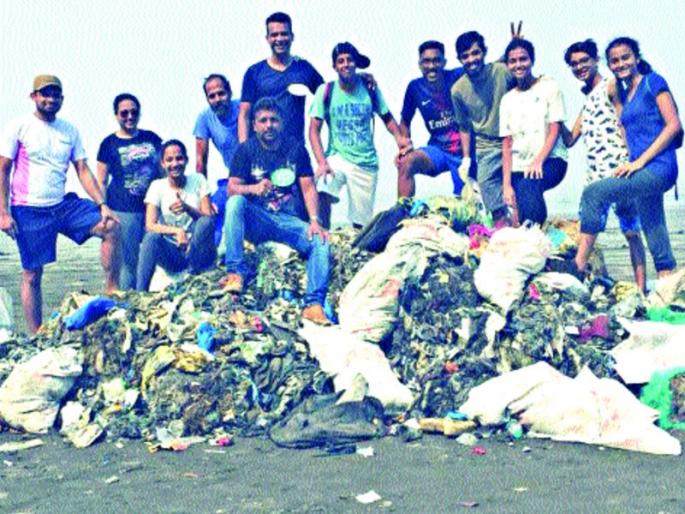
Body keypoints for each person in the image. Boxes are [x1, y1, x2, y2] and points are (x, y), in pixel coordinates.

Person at [0, 75, 121, 333]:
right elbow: (3, 169)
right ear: (34, 96)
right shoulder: (19, 126)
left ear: (62, 99)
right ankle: (36, 332)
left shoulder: (69, 130)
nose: (50, 99)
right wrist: (3, 212)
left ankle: (112, 290)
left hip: (62, 205)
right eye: (45, 94)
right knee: (32, 274)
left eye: (55, 95)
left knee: (110, 226)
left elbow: (82, 169)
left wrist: (102, 204)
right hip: (28, 209)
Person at [576, 37, 681, 279]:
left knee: (594, 193)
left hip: (658, 167)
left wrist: (640, 162)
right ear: (609, 65)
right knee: (653, 225)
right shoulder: (625, 94)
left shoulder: (652, 82)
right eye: (615, 61)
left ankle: (577, 267)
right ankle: (667, 281)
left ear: (636, 57)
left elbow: (673, 124)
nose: (621, 63)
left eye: (626, 57)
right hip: (641, 171)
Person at [220, 97, 331, 325]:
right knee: (235, 203)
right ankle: (236, 272)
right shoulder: (246, 150)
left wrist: (314, 220)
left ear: (281, 122)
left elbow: (308, 187)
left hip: (288, 220)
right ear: (254, 125)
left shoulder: (296, 149)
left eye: (273, 120)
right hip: (259, 220)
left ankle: (313, 304)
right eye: (263, 121)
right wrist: (253, 188)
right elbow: (232, 189)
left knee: (320, 241)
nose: (268, 125)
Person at [561, 39, 646, 290]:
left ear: (596, 60)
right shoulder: (587, 101)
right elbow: (570, 139)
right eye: (574, 64)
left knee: (630, 231)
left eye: (584, 61)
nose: (579, 67)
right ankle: (578, 278)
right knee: (590, 230)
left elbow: (623, 121)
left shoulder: (610, 85)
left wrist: (634, 162)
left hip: (619, 170)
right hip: (595, 176)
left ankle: (641, 289)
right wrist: (552, 114)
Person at [309, 42, 411, 228]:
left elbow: (387, 118)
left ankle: (356, 240)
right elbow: (313, 130)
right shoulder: (326, 91)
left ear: (356, 63)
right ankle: (323, 234)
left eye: (349, 60)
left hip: (365, 162)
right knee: (323, 184)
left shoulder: (369, 88)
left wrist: (400, 140)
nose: (345, 64)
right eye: (340, 61)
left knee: (360, 225)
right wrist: (322, 162)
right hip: (337, 156)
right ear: (334, 66)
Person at [451, 28, 523, 223]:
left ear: (484, 52)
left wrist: (514, 46)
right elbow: (464, 126)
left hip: (513, 139)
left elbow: (523, 76)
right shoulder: (458, 90)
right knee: (486, 184)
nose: (471, 59)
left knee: (517, 188)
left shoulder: (501, 72)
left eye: (475, 53)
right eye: (465, 56)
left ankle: (519, 226)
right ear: (459, 59)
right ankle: (502, 226)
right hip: (486, 144)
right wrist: (466, 158)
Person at [96, 93, 162, 290]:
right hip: (123, 208)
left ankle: (146, 294)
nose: (129, 116)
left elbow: (165, 171)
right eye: (124, 113)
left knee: (153, 254)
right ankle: (127, 298)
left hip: (152, 207)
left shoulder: (152, 138)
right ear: (116, 115)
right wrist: (102, 207)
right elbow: (101, 180)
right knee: (128, 262)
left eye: (134, 112)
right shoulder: (108, 144)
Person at [499, 38, 567, 226]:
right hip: (519, 164)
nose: (518, 65)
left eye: (523, 59)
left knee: (529, 186)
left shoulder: (549, 87)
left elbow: (554, 129)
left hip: (551, 160)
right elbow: (507, 143)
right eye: (513, 61)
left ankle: (534, 233)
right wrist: (506, 185)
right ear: (507, 64)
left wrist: (538, 161)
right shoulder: (507, 99)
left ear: (532, 60)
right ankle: (530, 236)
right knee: (516, 207)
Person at [135, 140, 216, 291]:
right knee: (151, 238)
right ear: (163, 164)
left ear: (186, 160)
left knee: (205, 223)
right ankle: (140, 292)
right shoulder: (157, 186)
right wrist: (177, 231)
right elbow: (150, 225)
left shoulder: (198, 180)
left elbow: (208, 218)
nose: (175, 164)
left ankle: (194, 274)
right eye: (169, 160)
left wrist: (187, 208)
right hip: (174, 254)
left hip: (198, 250)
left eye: (179, 158)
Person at [238, 12, 323, 144]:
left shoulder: (304, 68)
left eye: (284, 34)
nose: (279, 39)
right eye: (274, 35)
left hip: (294, 149)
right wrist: (244, 150)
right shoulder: (254, 72)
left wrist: (357, 80)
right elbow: (244, 115)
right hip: (262, 149)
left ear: (292, 36)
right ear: (267, 38)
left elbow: (328, 96)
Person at [397, 40, 466, 198]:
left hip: (464, 151)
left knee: (466, 200)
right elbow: (405, 121)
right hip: (439, 150)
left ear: (444, 62)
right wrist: (405, 146)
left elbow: (484, 68)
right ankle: (402, 209)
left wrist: (512, 48)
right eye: (426, 61)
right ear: (420, 64)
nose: (431, 66)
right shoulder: (415, 88)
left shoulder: (457, 76)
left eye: (436, 60)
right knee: (406, 162)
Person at [193, 73, 240, 245]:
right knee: (212, 213)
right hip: (234, 178)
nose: (217, 99)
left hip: (261, 172)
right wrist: (202, 198)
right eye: (212, 96)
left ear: (230, 92)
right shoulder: (205, 118)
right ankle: (210, 254)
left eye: (221, 93)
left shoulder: (244, 107)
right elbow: (201, 161)